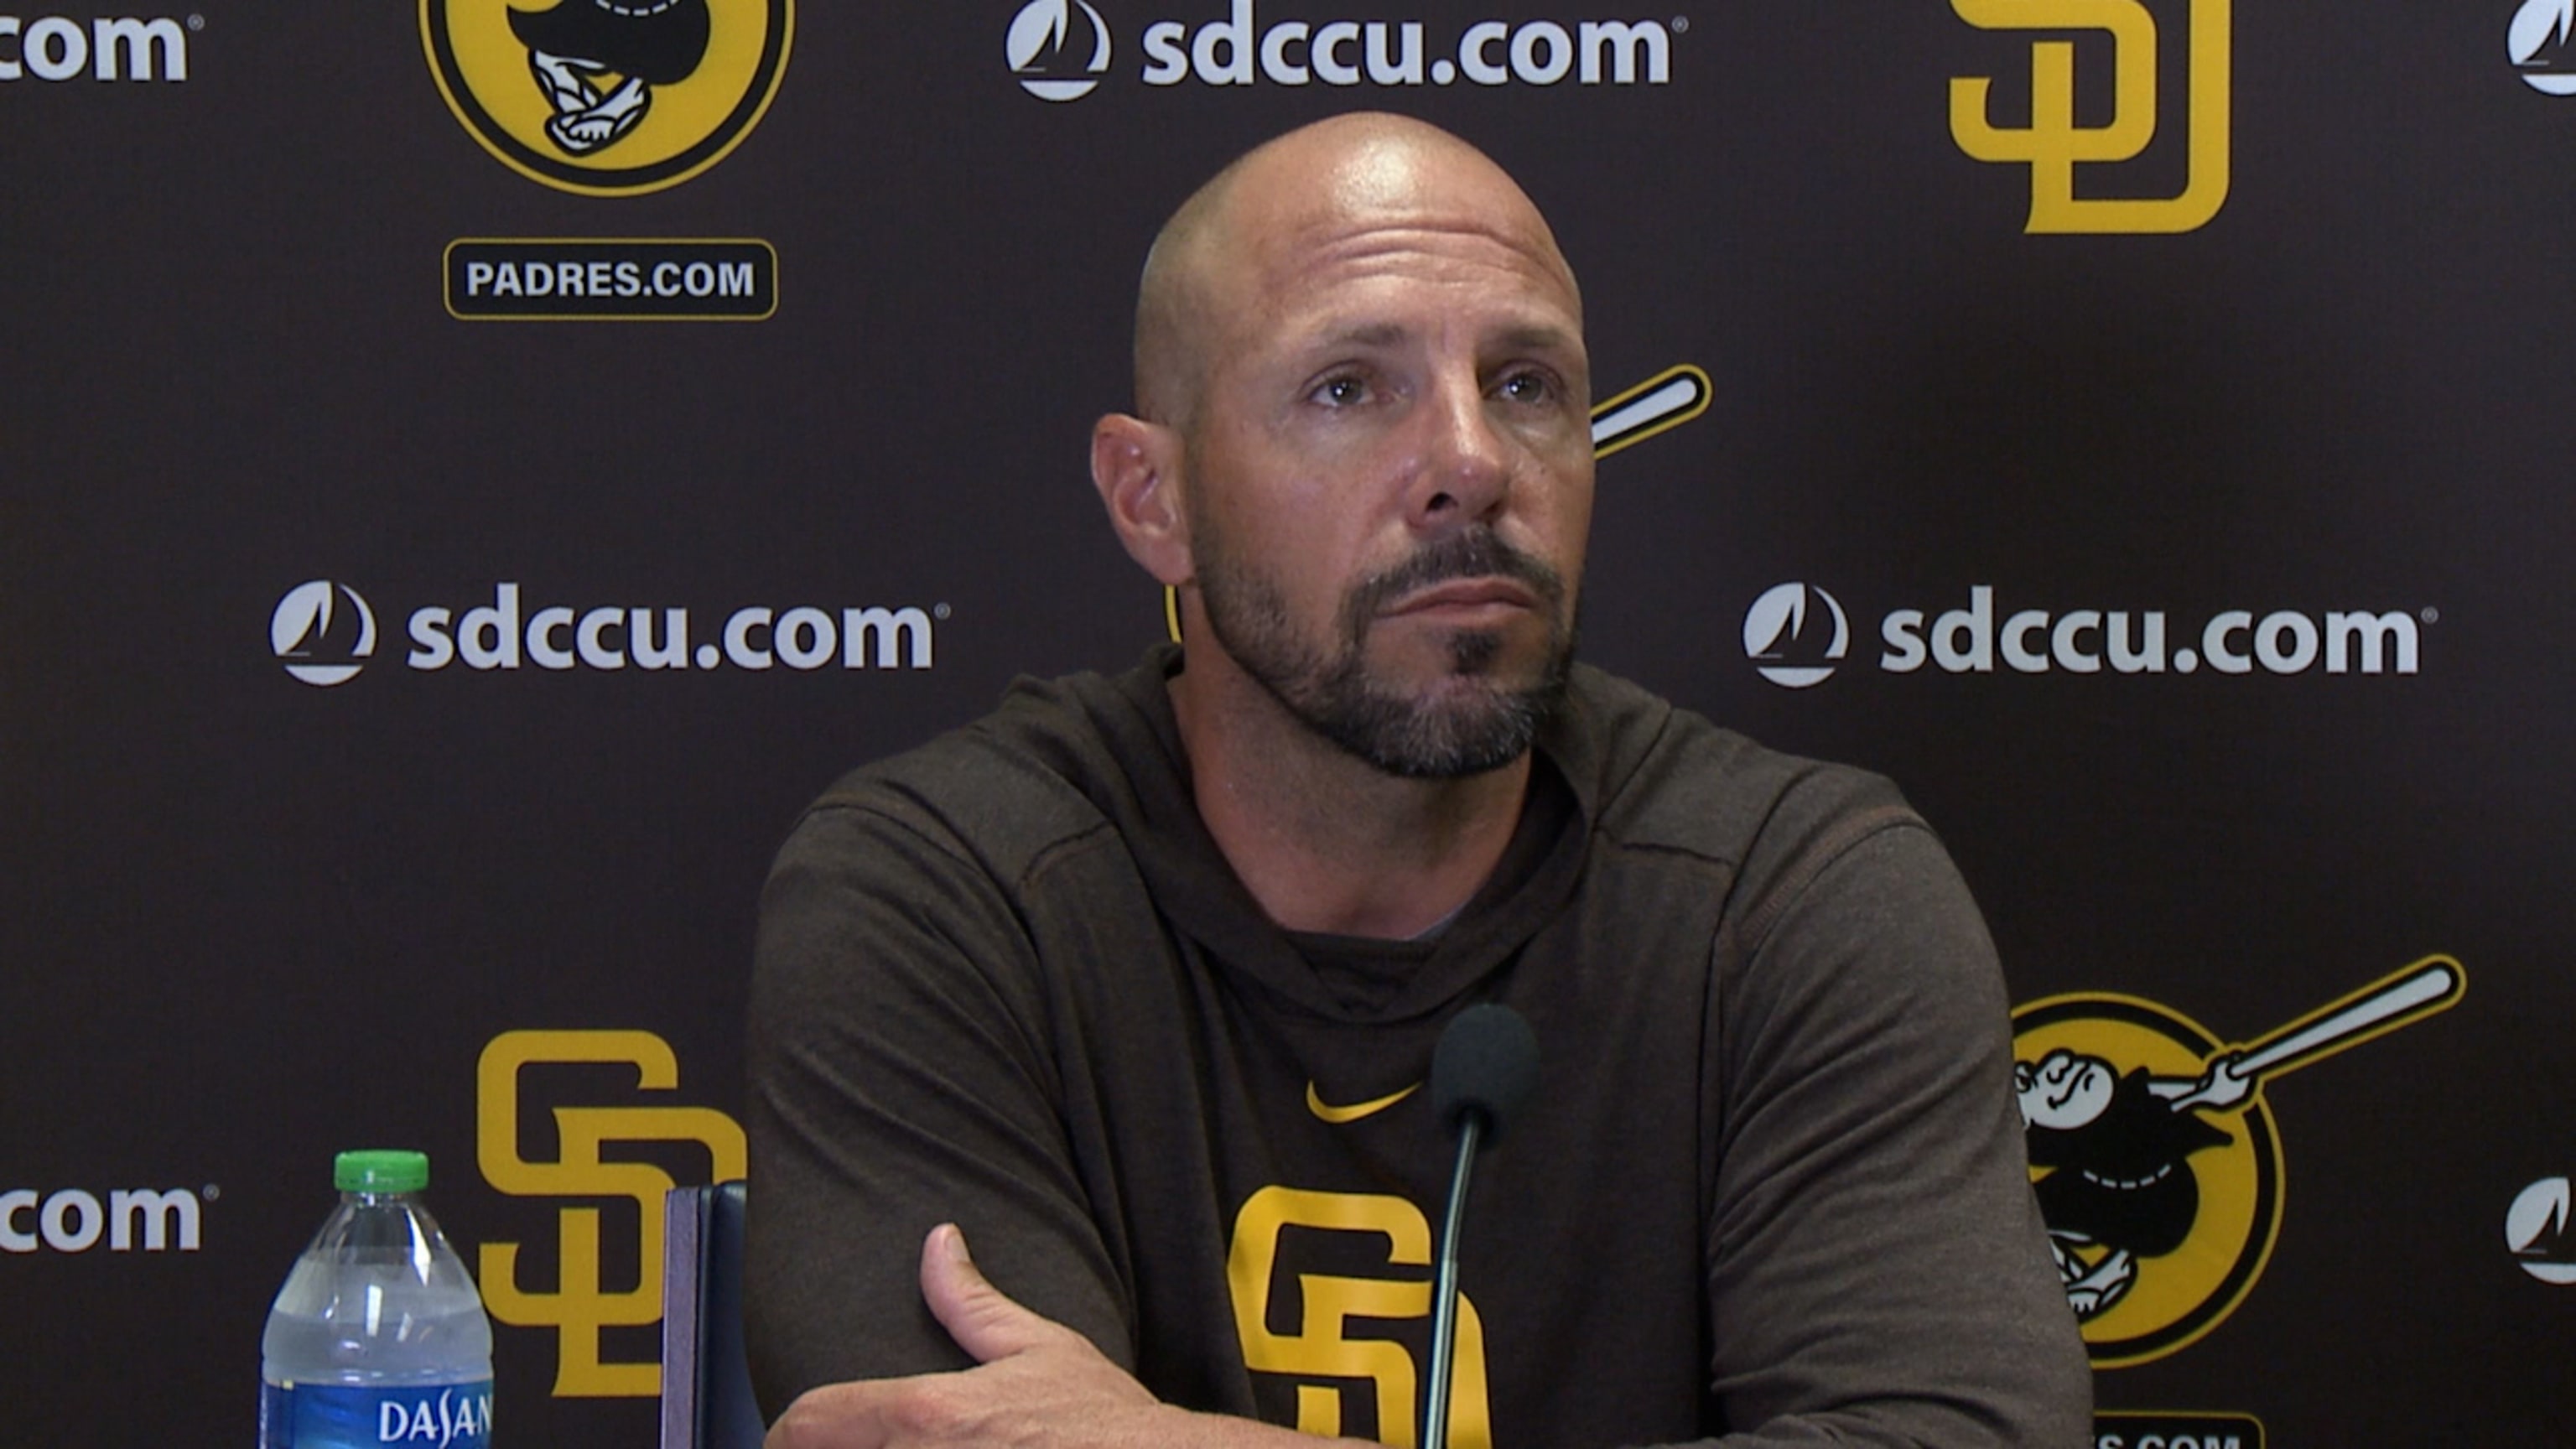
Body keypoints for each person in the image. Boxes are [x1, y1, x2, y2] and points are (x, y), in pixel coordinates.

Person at [744, 112, 2092, 1448]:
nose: (1472, 462)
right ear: (1153, 500)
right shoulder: (944, 892)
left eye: (1525, 385)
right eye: (1349, 387)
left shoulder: (1796, 894)